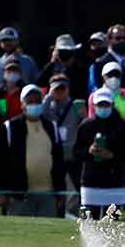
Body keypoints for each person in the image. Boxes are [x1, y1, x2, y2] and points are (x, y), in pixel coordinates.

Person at [0, 85, 53, 216]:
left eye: (37, 101)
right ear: (22, 104)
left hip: (48, 193)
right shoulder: (10, 127)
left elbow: (58, 159)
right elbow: (0, 162)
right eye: (30, 101)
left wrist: (60, 191)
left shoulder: (51, 127)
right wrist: (3, 192)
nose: (34, 104)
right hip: (19, 195)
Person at [75, 89, 125, 218]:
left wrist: (113, 156)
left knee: (115, 224)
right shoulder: (86, 126)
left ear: (112, 105)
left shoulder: (123, 126)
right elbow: (76, 152)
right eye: (100, 105)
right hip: (91, 181)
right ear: (94, 105)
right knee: (90, 222)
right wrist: (89, 151)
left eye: (106, 105)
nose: (103, 108)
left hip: (116, 182)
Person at [35, 76, 81, 214]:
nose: (60, 92)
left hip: (71, 155)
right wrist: (49, 96)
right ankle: (55, 212)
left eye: (63, 89)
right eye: (56, 89)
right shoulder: (48, 106)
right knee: (55, 187)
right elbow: (39, 116)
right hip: (53, 155)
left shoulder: (75, 106)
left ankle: (71, 213)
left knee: (73, 189)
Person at [0, 28, 40, 107]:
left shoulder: (29, 62)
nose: (7, 43)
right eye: (4, 40)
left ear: (17, 41)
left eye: (10, 40)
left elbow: (37, 86)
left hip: (24, 108)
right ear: (0, 43)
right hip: (1, 109)